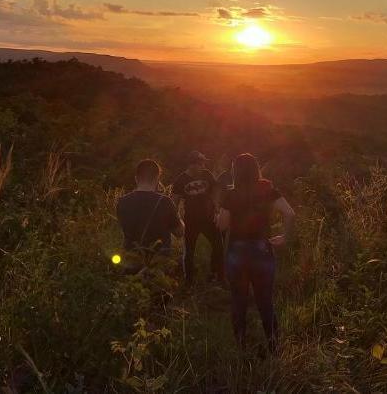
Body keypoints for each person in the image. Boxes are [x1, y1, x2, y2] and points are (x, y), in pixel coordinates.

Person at [217, 153, 296, 353]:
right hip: (262, 249)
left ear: (235, 171)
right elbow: (289, 213)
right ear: (256, 169)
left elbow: (223, 224)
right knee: (265, 301)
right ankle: (273, 347)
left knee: (238, 300)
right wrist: (284, 237)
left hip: (237, 252)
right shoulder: (267, 190)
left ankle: (241, 347)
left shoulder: (230, 194)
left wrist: (219, 219)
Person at [117, 159, 183, 266]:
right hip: (159, 264)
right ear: (157, 179)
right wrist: (177, 213)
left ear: (136, 179)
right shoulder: (165, 202)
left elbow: (125, 231)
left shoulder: (122, 202)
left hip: (131, 262)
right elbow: (180, 232)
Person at [172, 151, 224, 284]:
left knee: (218, 246)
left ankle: (215, 274)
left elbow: (216, 189)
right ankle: (189, 281)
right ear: (192, 164)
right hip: (191, 220)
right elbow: (174, 202)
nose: (203, 165)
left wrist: (217, 208)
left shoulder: (206, 174)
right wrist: (177, 220)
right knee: (189, 251)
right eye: (201, 163)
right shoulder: (180, 180)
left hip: (209, 218)